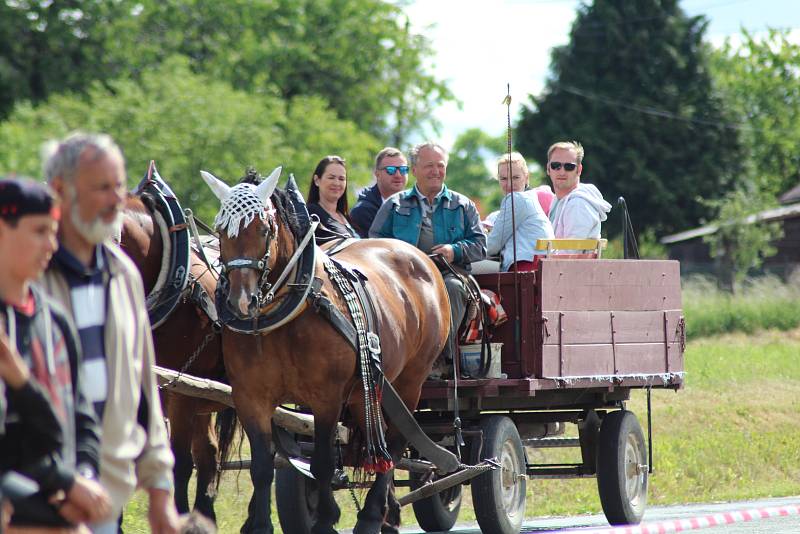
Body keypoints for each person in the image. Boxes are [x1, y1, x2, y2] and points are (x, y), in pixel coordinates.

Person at [40, 133, 178, 534]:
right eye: (102, 187)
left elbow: (144, 392)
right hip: (37, 497)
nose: (117, 199)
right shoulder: (27, 276)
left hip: (107, 495)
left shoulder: (123, 276)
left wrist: (160, 490)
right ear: (61, 190)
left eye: (120, 185)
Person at [0, 178, 111, 532]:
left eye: (54, 232)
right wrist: (63, 485)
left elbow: (81, 416)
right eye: (40, 231)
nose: (51, 245)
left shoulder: (56, 320)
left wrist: (81, 476)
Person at [370, 141, 486, 361]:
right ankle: (392, 357)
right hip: (402, 280)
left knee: (453, 288)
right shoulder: (394, 205)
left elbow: (480, 245)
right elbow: (374, 243)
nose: (436, 171)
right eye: (429, 166)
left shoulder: (463, 205)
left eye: (440, 165)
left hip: (448, 276)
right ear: (414, 170)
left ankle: (438, 358)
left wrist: (454, 250)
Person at [487, 152, 554, 271]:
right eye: (503, 178)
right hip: (541, 268)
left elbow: (493, 245)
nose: (509, 184)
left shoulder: (517, 199)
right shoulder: (530, 199)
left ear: (526, 177)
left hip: (525, 269)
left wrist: (465, 251)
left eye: (515, 177)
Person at [546, 141, 611, 239]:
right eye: (555, 165)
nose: (562, 172)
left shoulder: (578, 204)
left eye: (569, 167)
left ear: (579, 170)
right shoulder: (558, 201)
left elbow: (572, 252)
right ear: (548, 168)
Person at [349, 147, 409, 237]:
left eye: (403, 169)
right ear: (377, 174)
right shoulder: (362, 212)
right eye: (390, 170)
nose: (398, 175)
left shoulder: (416, 206)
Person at [306, 155, 359, 242]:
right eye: (331, 178)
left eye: (341, 179)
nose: (336, 183)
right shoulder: (310, 216)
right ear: (317, 180)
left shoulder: (346, 217)